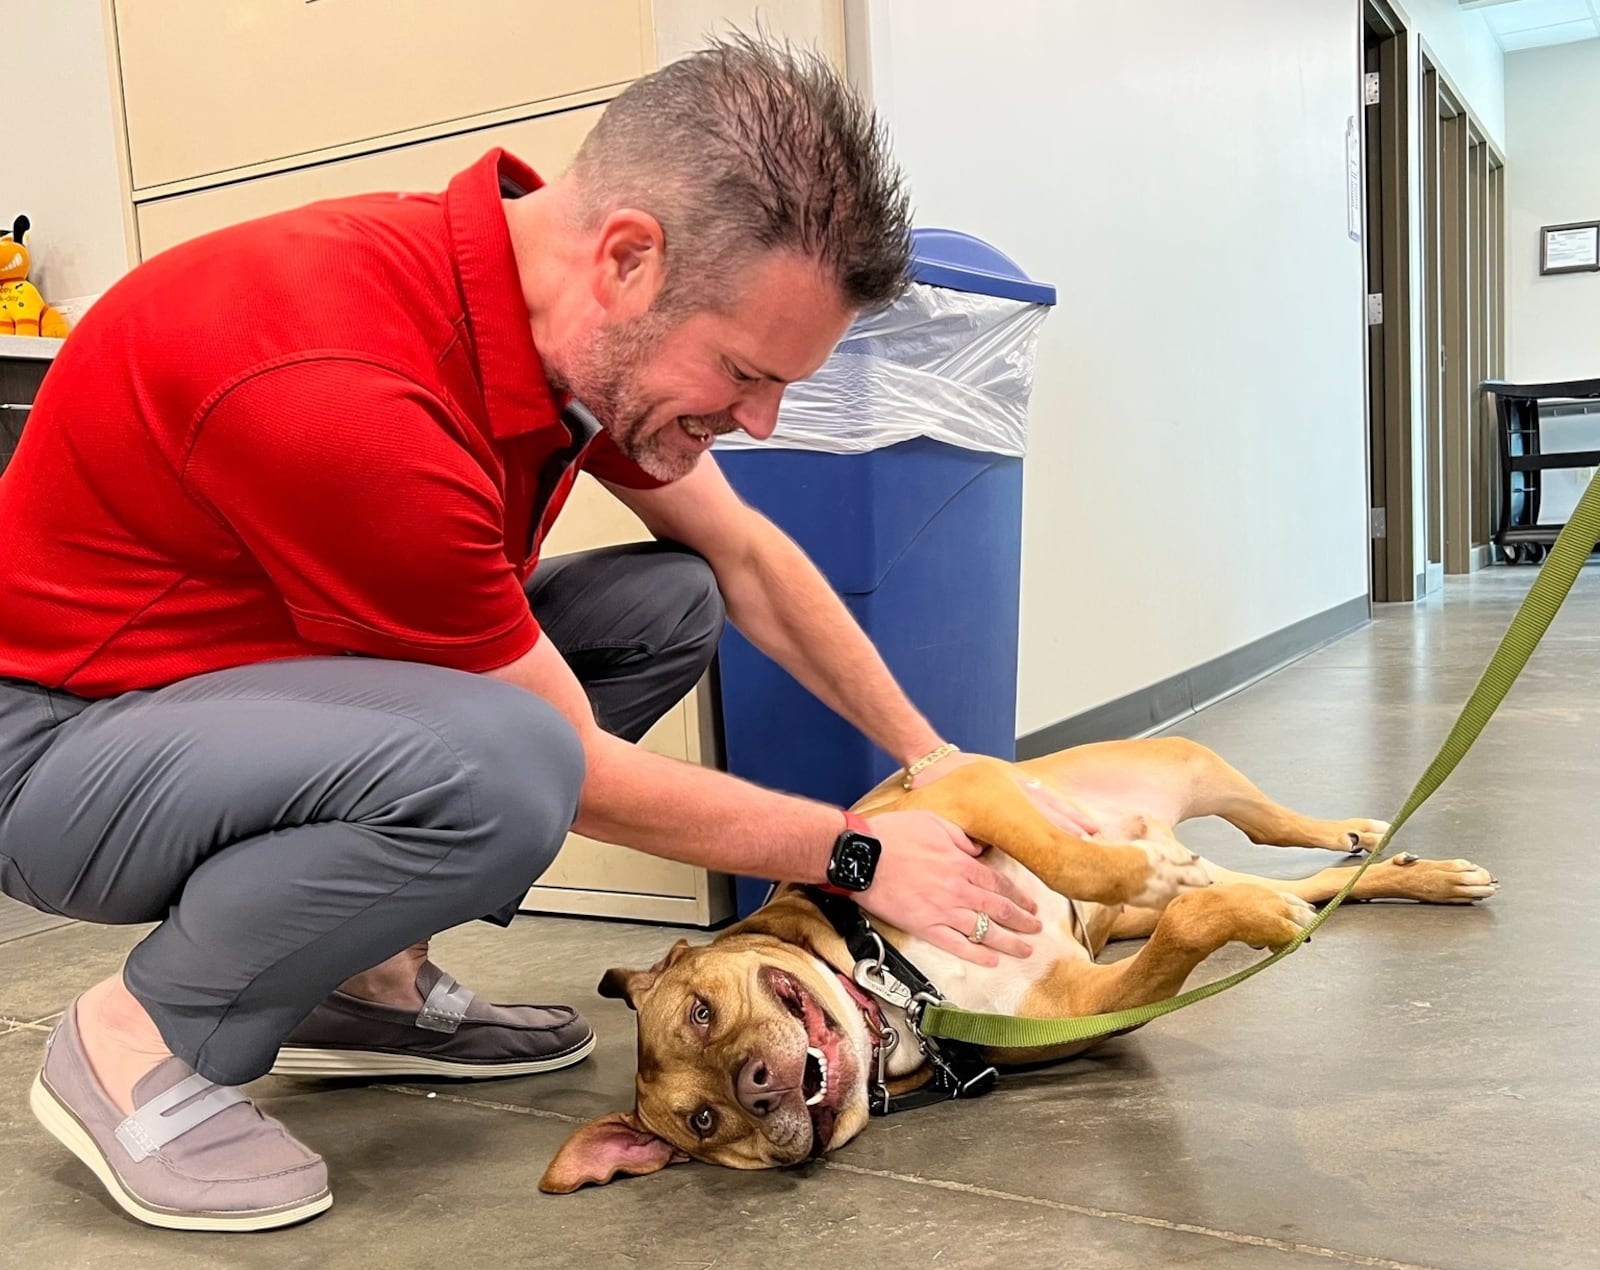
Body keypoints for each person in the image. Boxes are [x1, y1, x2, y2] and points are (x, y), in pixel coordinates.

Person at [0, 36, 1043, 1231]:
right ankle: (136, 1038)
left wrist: (934, 760)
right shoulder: (353, 394)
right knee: (511, 761)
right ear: (627, 259)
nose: (760, 421)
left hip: (223, 704)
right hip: (50, 753)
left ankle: (363, 981)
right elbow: (578, 777)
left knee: (665, 602)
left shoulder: (541, 316)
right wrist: (859, 853)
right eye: (747, 373)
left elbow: (748, 559)